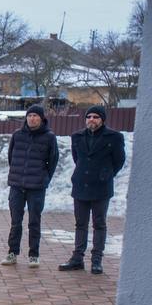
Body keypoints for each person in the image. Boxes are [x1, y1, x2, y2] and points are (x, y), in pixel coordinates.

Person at [61, 105, 126, 275]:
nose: (91, 120)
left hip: (101, 187)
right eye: (89, 117)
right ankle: (77, 258)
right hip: (81, 185)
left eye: (96, 117)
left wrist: (106, 174)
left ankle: (97, 260)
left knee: (99, 224)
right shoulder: (77, 136)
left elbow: (119, 160)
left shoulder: (114, 137)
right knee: (80, 223)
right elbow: (77, 158)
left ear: (102, 120)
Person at [0, 103, 58, 269]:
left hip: (37, 187)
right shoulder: (18, 135)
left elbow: (53, 161)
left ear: (41, 118)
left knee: (34, 222)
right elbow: (11, 157)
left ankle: (34, 255)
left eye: (35, 116)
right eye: (29, 116)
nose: (32, 119)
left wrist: (44, 178)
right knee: (15, 222)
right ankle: (12, 253)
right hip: (17, 185)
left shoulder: (49, 137)